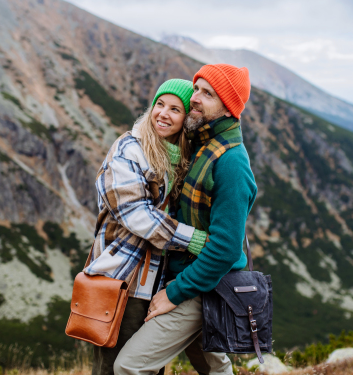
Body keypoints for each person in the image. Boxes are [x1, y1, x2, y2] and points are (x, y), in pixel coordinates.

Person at [114, 64, 257, 375]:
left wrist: (173, 294)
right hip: (192, 278)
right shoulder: (204, 145)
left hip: (203, 286)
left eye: (207, 93)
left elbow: (225, 249)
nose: (195, 98)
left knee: (129, 367)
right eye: (196, 89)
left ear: (227, 106)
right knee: (214, 369)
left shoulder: (231, 162)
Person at [86, 79, 209, 375]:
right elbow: (135, 214)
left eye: (175, 109)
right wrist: (193, 240)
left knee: (147, 368)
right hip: (121, 280)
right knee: (113, 368)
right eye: (160, 104)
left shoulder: (182, 158)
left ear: (186, 118)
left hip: (158, 284)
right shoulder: (130, 149)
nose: (163, 113)